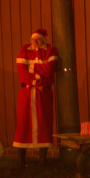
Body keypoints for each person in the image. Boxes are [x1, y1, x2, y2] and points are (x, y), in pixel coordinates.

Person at [14, 28, 59, 168]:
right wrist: (40, 71)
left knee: (43, 123)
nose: (35, 42)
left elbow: (49, 70)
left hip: (43, 93)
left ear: (44, 40)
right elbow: (22, 72)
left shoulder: (51, 51)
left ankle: (42, 162)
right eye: (33, 40)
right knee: (23, 122)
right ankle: (21, 162)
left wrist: (31, 68)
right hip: (26, 93)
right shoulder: (25, 51)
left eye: (38, 40)